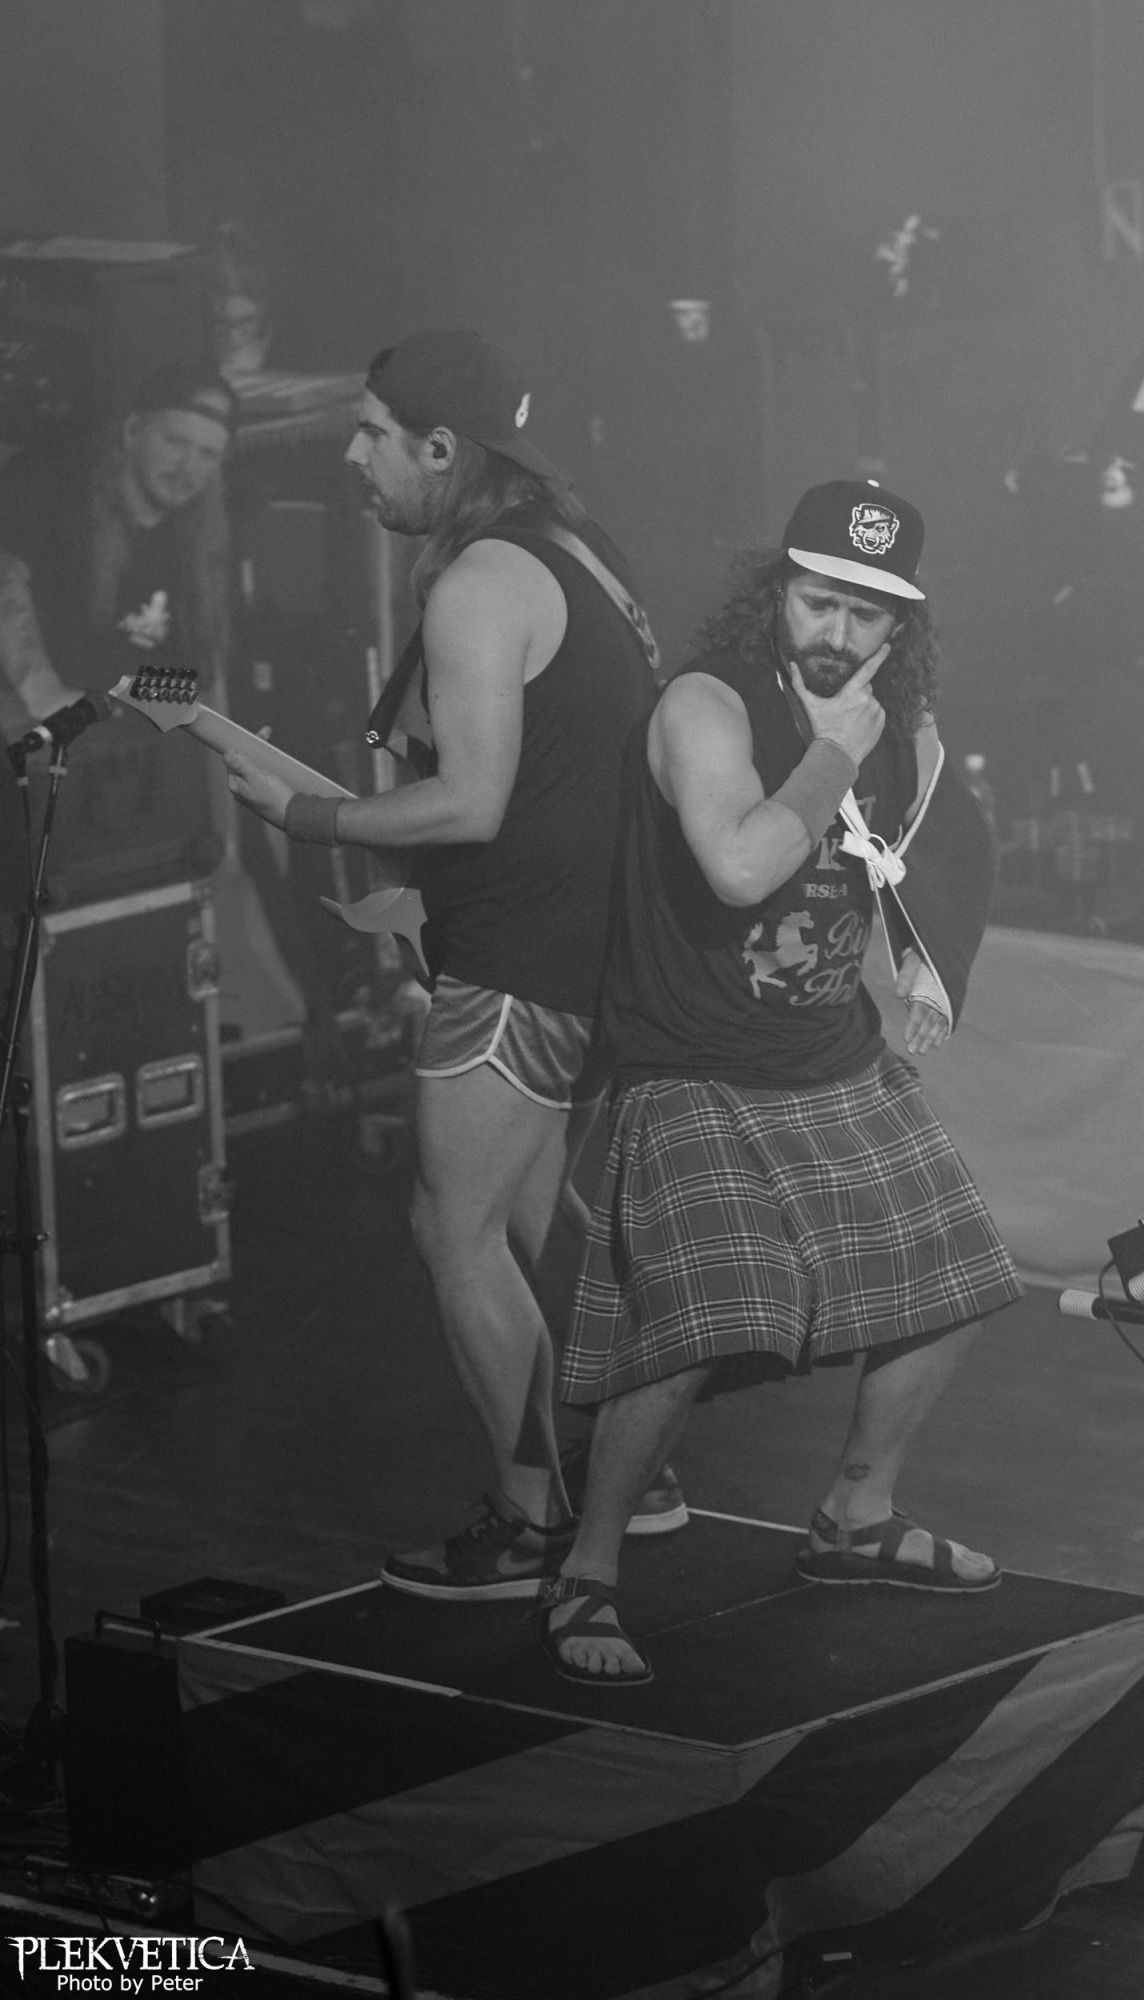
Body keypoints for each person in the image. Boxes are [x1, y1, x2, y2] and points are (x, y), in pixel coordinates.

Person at [538, 479, 1024, 1684]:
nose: (835, 635)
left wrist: (927, 962)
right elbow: (741, 867)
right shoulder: (707, 705)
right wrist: (827, 755)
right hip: (691, 1061)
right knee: (701, 1315)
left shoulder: (895, 725)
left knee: (957, 1274)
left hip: (826, 1055)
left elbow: (941, 841)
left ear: (898, 627)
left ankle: (855, 1514)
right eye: (817, 602)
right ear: (776, 594)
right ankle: (586, 1568)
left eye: (865, 614)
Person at [221, 328, 671, 1599]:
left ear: (438, 447)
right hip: (594, 941)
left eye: (370, 432)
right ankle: (632, 1471)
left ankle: (531, 1513)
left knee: (451, 1224)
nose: (350, 455)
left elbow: (472, 801)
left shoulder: (478, 580)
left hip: (525, 954)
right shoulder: (575, 545)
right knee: (532, 1213)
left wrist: (310, 816)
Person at [0, 362, 236, 741]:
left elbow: (197, 678)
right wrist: (41, 688)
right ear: (132, 431)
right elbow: (5, 576)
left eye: (207, 454)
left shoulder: (198, 540)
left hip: (109, 747)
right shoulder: (52, 488)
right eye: (176, 442)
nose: (189, 467)